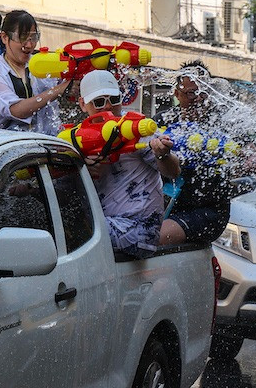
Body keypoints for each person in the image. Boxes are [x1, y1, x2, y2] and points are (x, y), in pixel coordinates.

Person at [77, 70, 180, 258]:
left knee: (76, 231)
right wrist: (81, 170)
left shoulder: (135, 128)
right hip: (103, 226)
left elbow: (173, 172)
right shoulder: (79, 136)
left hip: (140, 231)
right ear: (83, 104)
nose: (108, 106)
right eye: (99, 102)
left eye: (114, 99)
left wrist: (162, 155)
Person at [156, 60, 236, 245]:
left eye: (203, 92)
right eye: (191, 93)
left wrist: (248, 159)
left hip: (207, 210)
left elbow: (248, 153)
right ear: (176, 93)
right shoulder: (163, 121)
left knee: (152, 237)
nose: (198, 99)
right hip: (168, 206)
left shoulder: (224, 122)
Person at [0, 10, 71, 135]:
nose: (29, 45)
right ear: (4, 37)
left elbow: (69, 88)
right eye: (22, 37)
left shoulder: (44, 63)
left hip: (50, 141)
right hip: (12, 145)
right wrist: (60, 89)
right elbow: (15, 110)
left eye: (33, 38)